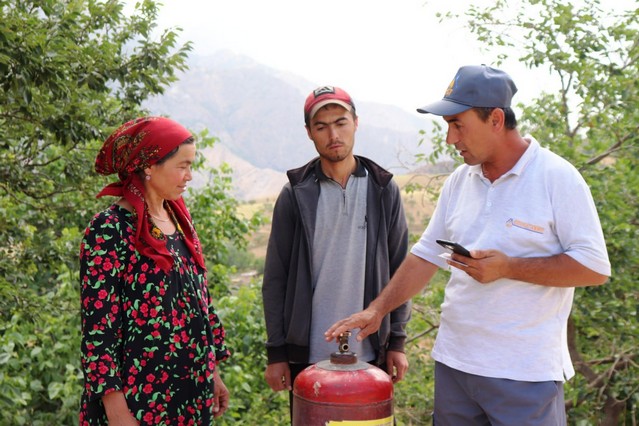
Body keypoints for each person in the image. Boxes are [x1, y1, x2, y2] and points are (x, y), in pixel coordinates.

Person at [326, 65, 611, 425]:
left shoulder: (557, 178)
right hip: (454, 366)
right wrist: (377, 310)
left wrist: (509, 267)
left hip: (524, 375)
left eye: (457, 124)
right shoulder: (461, 180)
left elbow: (594, 268)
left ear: (495, 119)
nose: (450, 138)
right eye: (448, 126)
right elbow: (427, 254)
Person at [261, 86, 411, 418]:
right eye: (321, 126)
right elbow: (275, 279)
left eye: (341, 122)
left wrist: (397, 342)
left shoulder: (382, 189)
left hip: (370, 350)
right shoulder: (295, 194)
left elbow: (401, 269)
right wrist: (277, 353)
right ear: (309, 133)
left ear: (356, 122)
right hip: (307, 355)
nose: (333, 134)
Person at [79, 116, 231, 425]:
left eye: (192, 165)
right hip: (139, 397)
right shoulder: (110, 228)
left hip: (189, 392)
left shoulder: (178, 221)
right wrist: (116, 408)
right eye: (182, 166)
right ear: (149, 165)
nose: (189, 176)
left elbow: (199, 300)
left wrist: (212, 370)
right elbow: (99, 326)